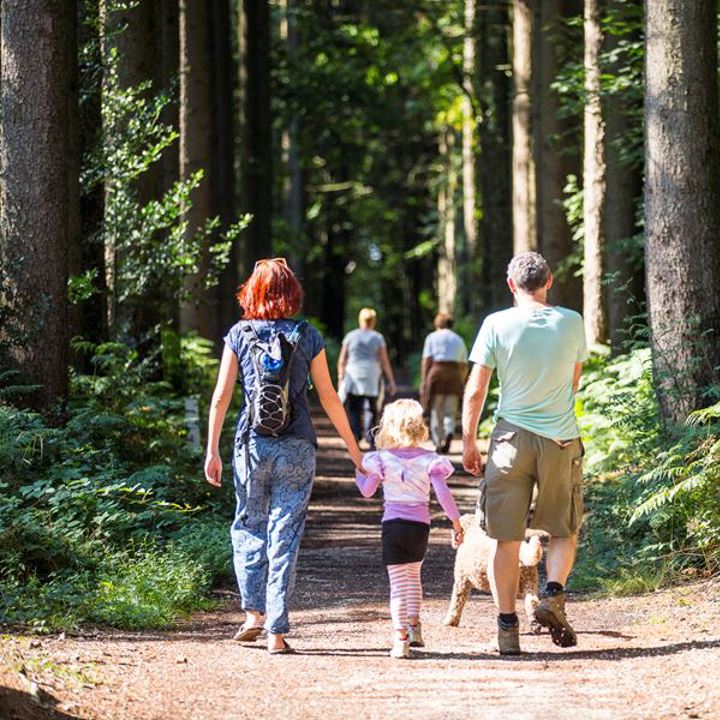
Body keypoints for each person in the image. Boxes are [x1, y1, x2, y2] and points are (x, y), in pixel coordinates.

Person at [204, 258, 363, 655]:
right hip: (297, 446)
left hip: (251, 445)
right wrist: (355, 451)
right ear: (292, 293)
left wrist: (211, 449)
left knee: (248, 525)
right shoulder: (307, 335)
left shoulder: (239, 334)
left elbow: (222, 395)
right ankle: (276, 632)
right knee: (285, 532)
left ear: (252, 292)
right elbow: (328, 396)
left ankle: (253, 615)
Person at [462, 251, 588, 655]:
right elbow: (573, 382)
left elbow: (477, 389)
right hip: (560, 441)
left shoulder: (495, 324)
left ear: (510, 284)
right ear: (549, 281)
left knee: (506, 537)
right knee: (564, 529)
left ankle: (507, 629)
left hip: (509, 442)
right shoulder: (572, 322)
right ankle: (552, 595)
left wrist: (468, 442)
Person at [355, 399, 464, 658]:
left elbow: (367, 491)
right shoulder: (430, 460)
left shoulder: (381, 459)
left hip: (393, 526)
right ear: (420, 427)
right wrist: (456, 522)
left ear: (388, 427)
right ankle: (415, 627)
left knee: (398, 584)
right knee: (413, 576)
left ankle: (400, 637)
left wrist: (359, 472)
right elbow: (443, 495)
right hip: (419, 527)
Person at [337, 307, 397, 447]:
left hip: (353, 375)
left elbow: (342, 360)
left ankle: (355, 436)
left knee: (354, 408)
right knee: (372, 407)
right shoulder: (378, 338)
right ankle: (370, 438)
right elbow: (384, 360)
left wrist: (341, 377)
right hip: (372, 375)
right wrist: (391, 380)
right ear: (373, 321)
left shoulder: (350, 336)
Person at [420, 312, 468, 454]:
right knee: (450, 410)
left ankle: (438, 441)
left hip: (437, 375)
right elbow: (464, 363)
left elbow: (427, 360)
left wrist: (424, 380)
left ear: (437, 323)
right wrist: (462, 380)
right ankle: (449, 432)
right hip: (454, 376)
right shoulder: (458, 339)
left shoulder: (432, 338)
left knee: (436, 409)